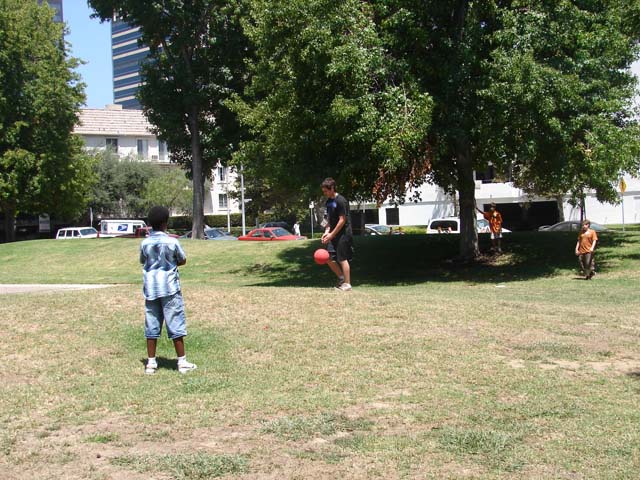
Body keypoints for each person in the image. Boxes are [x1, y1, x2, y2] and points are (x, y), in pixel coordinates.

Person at [140, 206, 197, 375]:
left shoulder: (144, 243)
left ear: (150, 224)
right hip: (170, 288)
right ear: (165, 223)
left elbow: (143, 260)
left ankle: (151, 363)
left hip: (151, 289)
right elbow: (182, 259)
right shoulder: (172, 242)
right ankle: (182, 362)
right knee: (175, 323)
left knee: (151, 324)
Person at [320, 177, 353, 291]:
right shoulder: (329, 202)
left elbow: (342, 220)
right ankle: (341, 278)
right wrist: (326, 232)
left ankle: (347, 284)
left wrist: (331, 235)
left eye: (326, 191)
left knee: (342, 258)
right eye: (323, 191)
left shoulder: (341, 201)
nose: (324, 193)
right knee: (328, 257)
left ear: (332, 188)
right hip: (333, 233)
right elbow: (328, 219)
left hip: (343, 234)